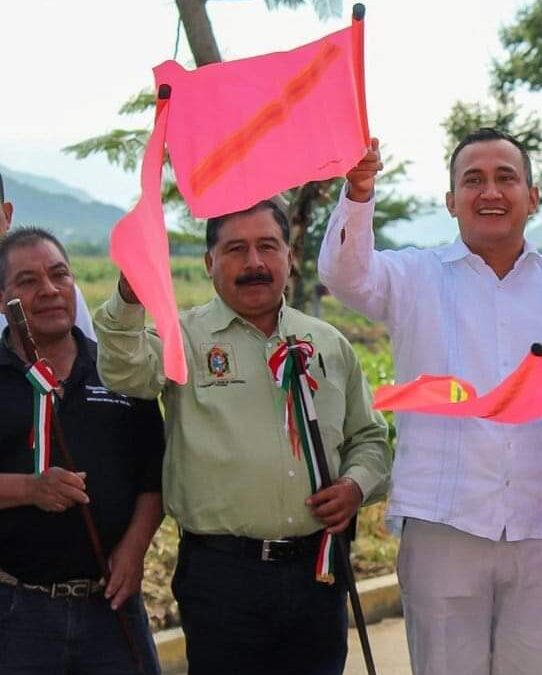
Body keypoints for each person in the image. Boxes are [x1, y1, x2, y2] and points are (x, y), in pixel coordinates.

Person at [318, 128, 542, 674]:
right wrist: (359, 192)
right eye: (472, 180)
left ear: (533, 194)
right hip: (443, 527)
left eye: (506, 178)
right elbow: (345, 275)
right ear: (451, 201)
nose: (490, 192)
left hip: (540, 528)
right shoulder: (413, 277)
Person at [93, 198, 391, 675]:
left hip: (317, 570)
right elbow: (126, 374)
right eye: (235, 249)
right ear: (210, 262)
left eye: (267, 247)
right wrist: (130, 298)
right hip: (222, 577)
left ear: (290, 257)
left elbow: (370, 439)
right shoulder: (182, 339)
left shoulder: (328, 343)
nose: (254, 263)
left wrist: (356, 486)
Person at [0, 228, 164, 674]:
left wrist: (133, 550)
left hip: (112, 607)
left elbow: (155, 475)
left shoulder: (119, 368)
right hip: (16, 613)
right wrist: (30, 489)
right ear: (2, 299)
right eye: (28, 281)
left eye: (59, 275)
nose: (49, 291)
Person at [0, 169, 96, 339]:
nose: (49, 291)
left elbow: (90, 360)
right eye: (27, 281)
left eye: (28, 281)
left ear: (7, 214)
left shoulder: (63, 294)